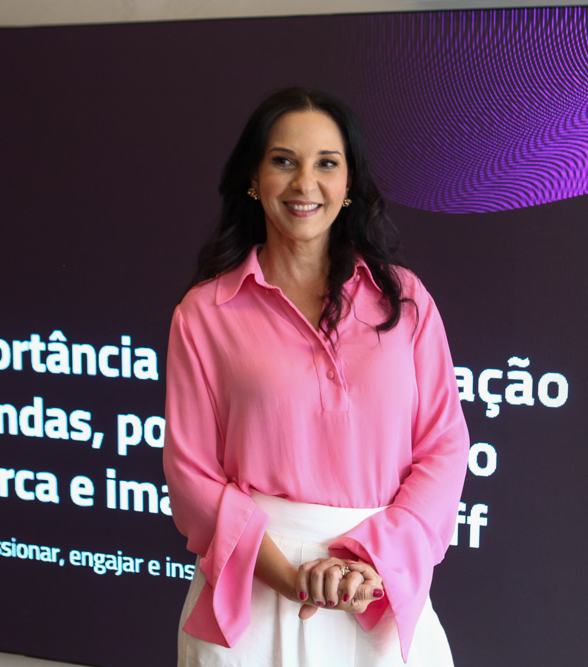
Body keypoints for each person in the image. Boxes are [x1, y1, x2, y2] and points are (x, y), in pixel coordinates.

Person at [163, 87, 470, 667]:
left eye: (327, 163)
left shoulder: (405, 300)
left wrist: (367, 566)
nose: (305, 183)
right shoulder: (203, 313)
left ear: (349, 183)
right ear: (254, 178)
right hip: (254, 591)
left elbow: (445, 447)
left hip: (376, 590)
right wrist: (291, 579)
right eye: (284, 161)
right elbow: (191, 475)